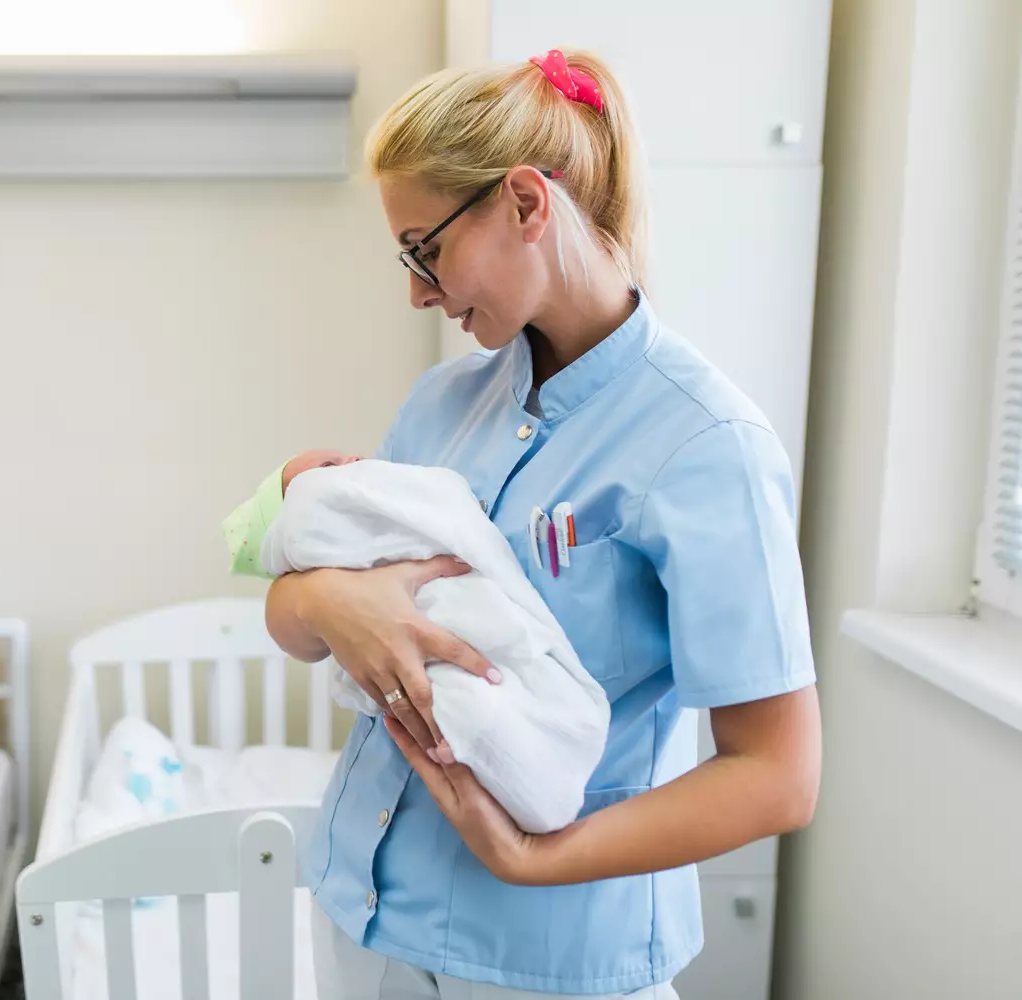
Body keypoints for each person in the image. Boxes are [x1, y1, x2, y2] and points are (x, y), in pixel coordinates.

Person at [259, 48, 822, 998]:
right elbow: (301, 623)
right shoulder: (442, 405)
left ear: (525, 203)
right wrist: (322, 595)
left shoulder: (707, 444)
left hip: (545, 957)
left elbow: (777, 776)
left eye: (423, 250)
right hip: (360, 910)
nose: (418, 293)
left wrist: (536, 860)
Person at [224, 449, 612, 835]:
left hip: (559, 868)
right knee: (464, 701)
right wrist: (319, 596)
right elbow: (286, 609)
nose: (350, 462)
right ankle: (517, 771)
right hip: (358, 845)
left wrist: (530, 863)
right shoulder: (321, 504)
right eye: (326, 469)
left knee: (491, 680)